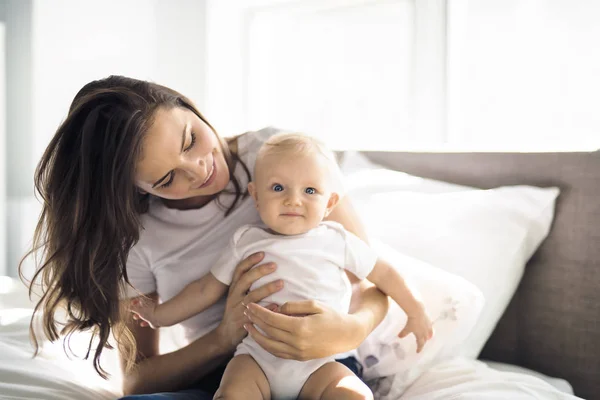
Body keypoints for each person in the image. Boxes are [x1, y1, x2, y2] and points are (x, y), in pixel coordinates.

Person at [22, 75, 397, 399]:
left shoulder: (277, 154)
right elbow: (137, 378)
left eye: (190, 140)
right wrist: (224, 337)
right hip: (230, 372)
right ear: (135, 190)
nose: (198, 169)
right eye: (166, 179)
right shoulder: (136, 237)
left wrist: (350, 329)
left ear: (188, 106)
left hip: (323, 358)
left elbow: (368, 281)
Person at [130, 132, 433, 399]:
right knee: (232, 392)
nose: (293, 200)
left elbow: (383, 275)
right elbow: (203, 291)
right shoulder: (245, 240)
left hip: (323, 360)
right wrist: (158, 315)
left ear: (330, 203)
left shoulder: (337, 240)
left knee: (354, 395)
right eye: (277, 189)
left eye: (309, 191)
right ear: (256, 197)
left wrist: (415, 310)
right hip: (256, 358)